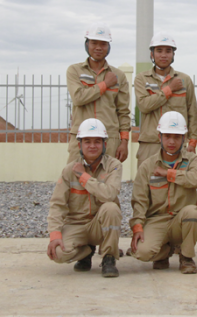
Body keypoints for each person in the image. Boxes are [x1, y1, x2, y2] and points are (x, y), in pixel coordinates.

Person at [130, 111, 197, 274]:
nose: (172, 141)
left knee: (194, 213)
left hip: (182, 219)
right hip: (157, 220)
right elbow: (139, 200)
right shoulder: (147, 166)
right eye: (167, 136)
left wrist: (169, 174)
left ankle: (186, 257)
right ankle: (164, 250)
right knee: (142, 252)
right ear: (159, 137)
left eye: (177, 137)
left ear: (183, 139)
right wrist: (137, 226)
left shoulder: (192, 160)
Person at [46, 118, 122, 277]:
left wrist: (84, 176)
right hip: (76, 225)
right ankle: (86, 251)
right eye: (87, 141)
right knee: (58, 254)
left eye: (97, 141)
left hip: (99, 225)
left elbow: (109, 194)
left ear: (104, 144)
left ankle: (109, 258)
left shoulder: (114, 166)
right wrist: (55, 235)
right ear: (79, 145)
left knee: (111, 208)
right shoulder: (68, 170)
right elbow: (57, 205)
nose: (92, 146)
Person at [134, 32, 197, 167]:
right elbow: (144, 105)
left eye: (168, 51)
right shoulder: (142, 79)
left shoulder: (185, 80)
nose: (163, 55)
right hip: (150, 144)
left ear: (173, 54)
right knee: (148, 183)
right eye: (159, 51)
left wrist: (192, 143)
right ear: (152, 54)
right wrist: (169, 90)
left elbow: (192, 112)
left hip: (177, 144)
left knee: (178, 183)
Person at [66, 23, 130, 164]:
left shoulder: (118, 76)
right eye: (94, 43)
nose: (98, 48)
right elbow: (78, 98)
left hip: (109, 138)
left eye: (103, 44)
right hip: (81, 137)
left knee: (108, 181)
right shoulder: (75, 71)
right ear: (87, 45)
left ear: (108, 47)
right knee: (76, 178)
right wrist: (105, 84)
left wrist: (124, 142)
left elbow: (123, 112)